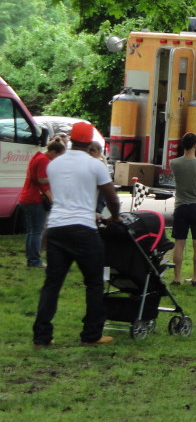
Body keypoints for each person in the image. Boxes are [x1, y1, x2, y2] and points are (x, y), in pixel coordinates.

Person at [32, 121, 121, 349]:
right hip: (83, 228)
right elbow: (111, 197)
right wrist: (115, 217)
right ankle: (91, 334)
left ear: (71, 139)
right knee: (93, 283)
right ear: (90, 140)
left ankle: (42, 336)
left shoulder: (55, 164)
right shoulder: (95, 165)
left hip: (57, 228)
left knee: (52, 283)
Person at [169, 132, 196, 285]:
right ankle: (195, 277)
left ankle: (176, 277)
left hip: (180, 206)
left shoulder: (174, 163)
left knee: (179, 243)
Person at [19, 137, 65, 268]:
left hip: (27, 197)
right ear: (53, 152)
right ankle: (34, 260)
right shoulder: (44, 160)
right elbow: (41, 179)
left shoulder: (37, 156)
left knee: (31, 231)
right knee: (36, 232)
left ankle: (30, 258)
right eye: (59, 156)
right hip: (35, 199)